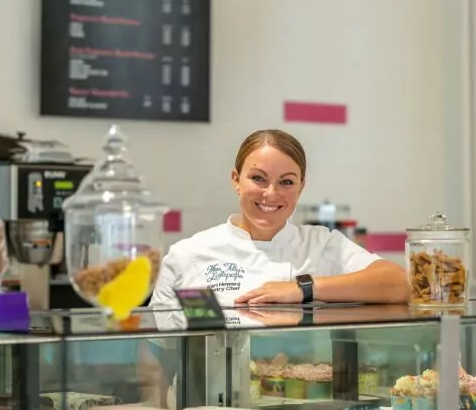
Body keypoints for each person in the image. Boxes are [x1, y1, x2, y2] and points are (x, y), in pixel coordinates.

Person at [148, 129, 409, 321]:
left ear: (301, 186)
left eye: (286, 182)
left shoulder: (322, 244)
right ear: (236, 180)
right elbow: (159, 358)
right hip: (206, 396)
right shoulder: (188, 255)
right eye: (258, 178)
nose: (271, 194)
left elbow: (400, 284)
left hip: (308, 392)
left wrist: (301, 289)